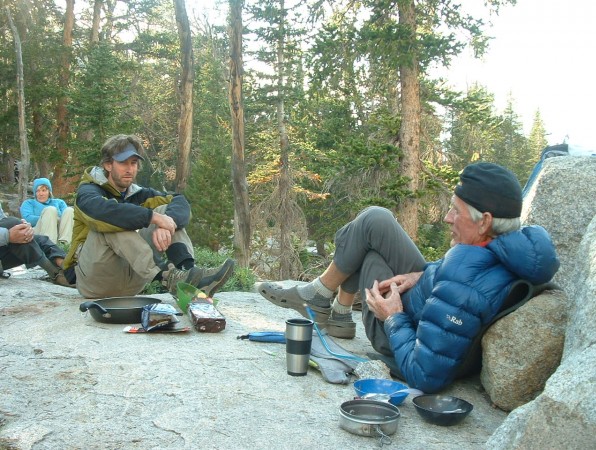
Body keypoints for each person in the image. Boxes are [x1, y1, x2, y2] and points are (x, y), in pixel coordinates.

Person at [258, 162, 559, 393]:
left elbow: (425, 374)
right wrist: (422, 273)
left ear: (486, 222)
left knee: (367, 250)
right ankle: (331, 306)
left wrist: (391, 317)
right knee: (375, 221)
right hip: (423, 301)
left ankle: (325, 301)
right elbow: (455, 280)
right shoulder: (512, 245)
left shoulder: (464, 282)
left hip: (399, 332)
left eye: (456, 212)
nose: (447, 219)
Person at [62, 134, 235, 299]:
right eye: (123, 163)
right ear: (108, 165)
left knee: (166, 212)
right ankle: (167, 277)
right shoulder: (88, 191)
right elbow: (101, 211)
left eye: (134, 163)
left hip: (132, 281)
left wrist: (165, 223)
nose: (130, 169)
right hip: (94, 281)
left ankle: (190, 276)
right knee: (112, 221)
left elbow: (179, 200)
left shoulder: (140, 194)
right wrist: (153, 218)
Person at [1, 202, 73, 286]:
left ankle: (68, 269)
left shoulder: (57, 201)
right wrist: (7, 235)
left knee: (41, 241)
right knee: (13, 223)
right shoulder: (29, 203)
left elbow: (2, 219)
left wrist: (24, 226)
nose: (41, 193)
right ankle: (54, 273)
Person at [20, 178, 74, 245]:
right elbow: (28, 219)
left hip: (58, 232)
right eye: (38, 191)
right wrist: (47, 217)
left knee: (70, 210)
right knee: (50, 210)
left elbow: (66, 220)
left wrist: (55, 218)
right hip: (38, 233)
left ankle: (65, 244)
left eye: (44, 190)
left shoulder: (59, 202)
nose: (41, 194)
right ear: (35, 193)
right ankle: (49, 246)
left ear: (49, 192)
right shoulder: (29, 203)